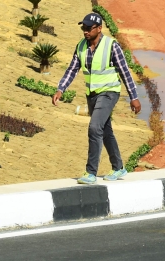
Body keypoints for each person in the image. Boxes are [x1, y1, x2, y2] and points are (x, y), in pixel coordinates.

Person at [53, 12, 142, 184]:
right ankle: (118, 168)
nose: (85, 31)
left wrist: (134, 96)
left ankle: (90, 172)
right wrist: (60, 89)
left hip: (109, 93)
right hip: (92, 95)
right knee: (105, 130)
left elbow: (124, 72)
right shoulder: (81, 47)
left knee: (94, 128)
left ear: (99, 28)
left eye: (88, 28)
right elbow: (72, 69)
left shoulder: (111, 46)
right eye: (83, 28)